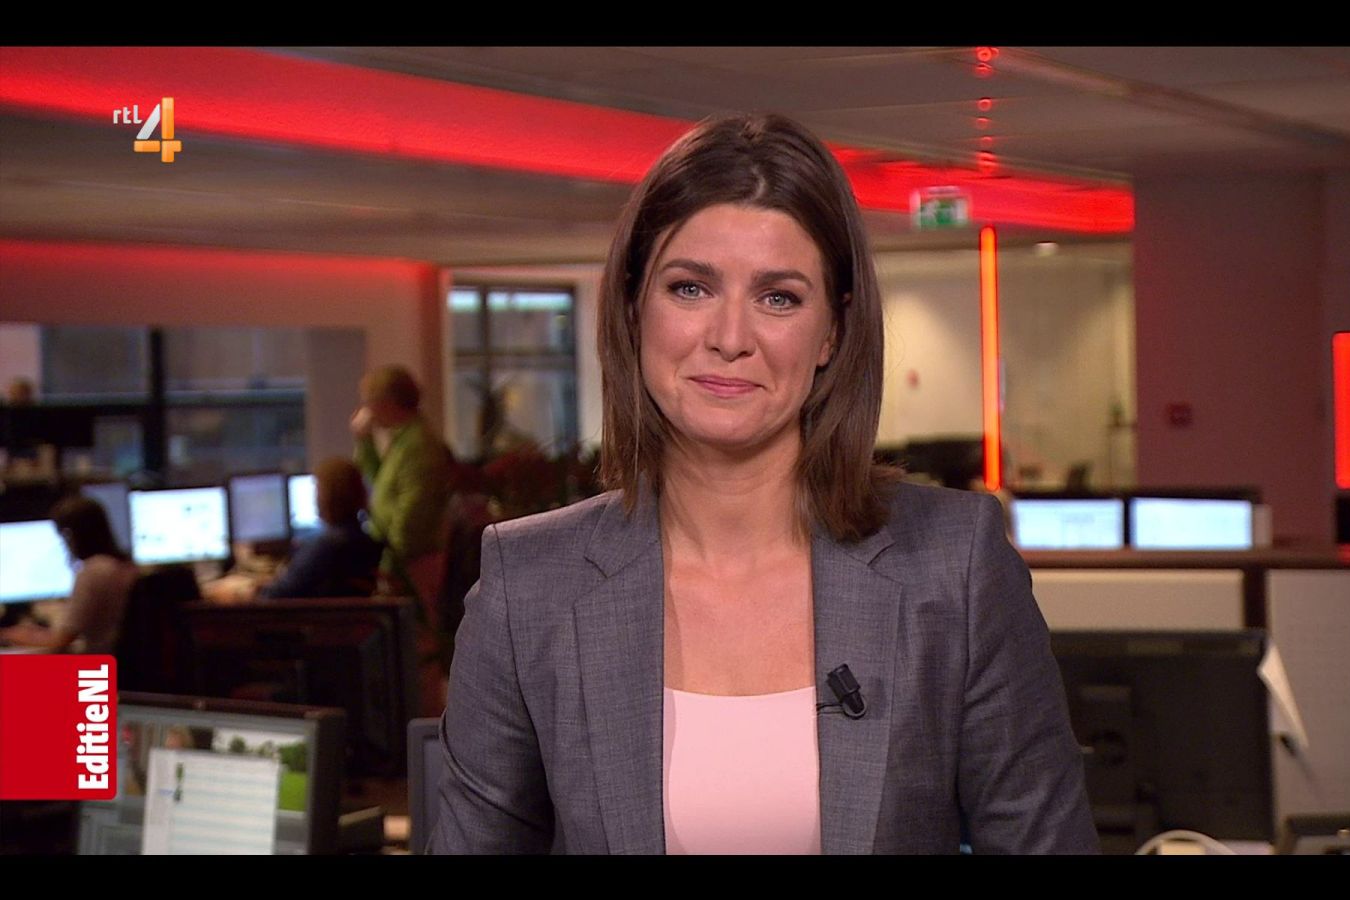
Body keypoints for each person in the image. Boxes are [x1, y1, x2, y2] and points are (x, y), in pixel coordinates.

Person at [431, 113, 1096, 854]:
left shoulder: (954, 567)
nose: (729, 338)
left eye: (778, 297)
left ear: (833, 331)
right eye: (690, 288)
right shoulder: (529, 586)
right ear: (633, 305)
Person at [349, 365, 453, 587]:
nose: (366, 410)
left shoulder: (418, 446)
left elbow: (412, 513)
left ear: (386, 403)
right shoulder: (403, 440)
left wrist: (390, 562)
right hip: (397, 559)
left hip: (408, 566)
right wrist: (365, 440)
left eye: (369, 402)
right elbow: (377, 480)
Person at [0, 495, 138, 653]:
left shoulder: (93, 572)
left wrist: (9, 635)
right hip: (118, 661)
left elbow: (60, 642)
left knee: (8, 668)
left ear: (72, 535)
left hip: (97, 665)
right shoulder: (123, 566)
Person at [258, 457, 382, 599]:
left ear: (327, 497)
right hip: (341, 613)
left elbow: (276, 596)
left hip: (305, 613)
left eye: (317, 491)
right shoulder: (365, 542)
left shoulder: (325, 547)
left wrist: (251, 591)